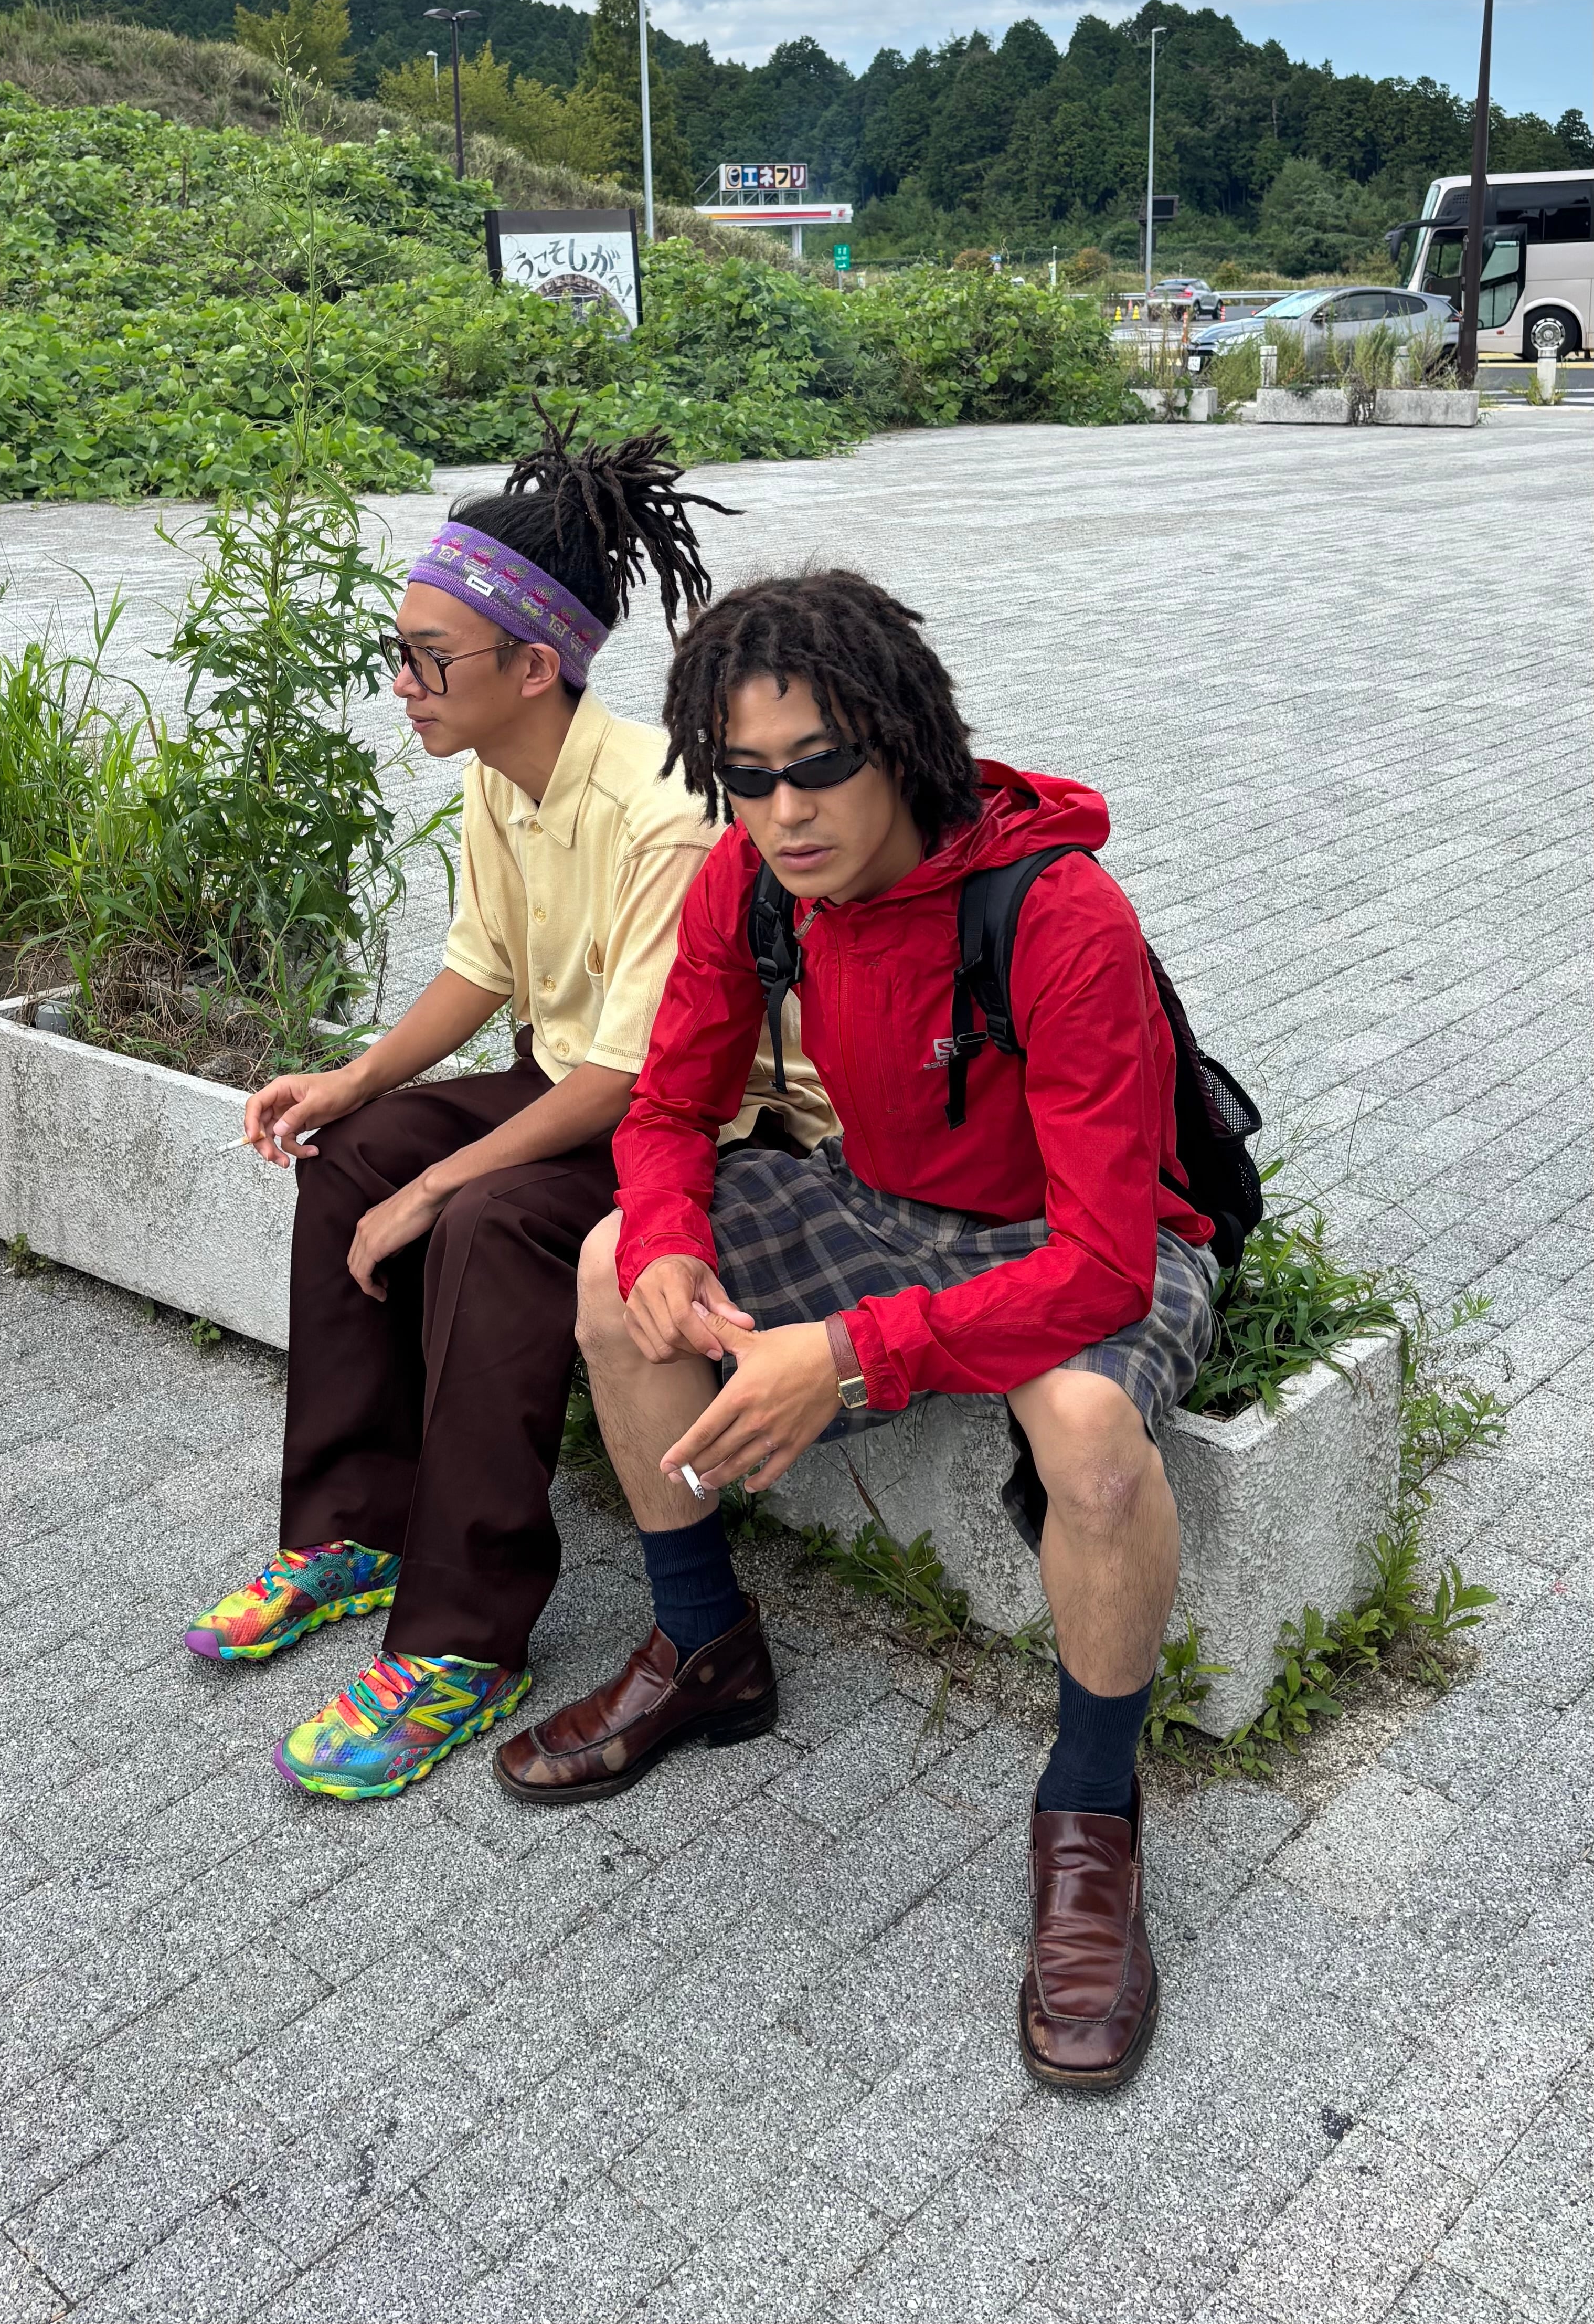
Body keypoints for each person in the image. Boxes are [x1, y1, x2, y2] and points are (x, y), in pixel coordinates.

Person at [495, 569, 1220, 2089]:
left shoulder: (1056, 913)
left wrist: (848, 1356)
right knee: (619, 1262)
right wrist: (674, 1240)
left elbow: (1102, 1265)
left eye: (821, 765)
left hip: (1081, 1239)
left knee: (1091, 1434)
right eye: (748, 777)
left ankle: (1091, 1817)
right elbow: (670, 1105)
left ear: (902, 739)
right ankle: (705, 1645)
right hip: (877, 1203)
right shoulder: (748, 881)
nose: (786, 812)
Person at [182, 424, 832, 1801]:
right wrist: (355, 1083)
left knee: (485, 1222)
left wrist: (440, 1185)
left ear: (537, 666)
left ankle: (462, 1641)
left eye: (431, 659)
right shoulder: (502, 774)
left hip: (694, 1126)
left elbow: (635, 1082)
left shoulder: (663, 811)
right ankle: (357, 1528)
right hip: (577, 1085)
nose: (403, 684)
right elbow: (482, 967)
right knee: (349, 1158)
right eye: (400, 651)